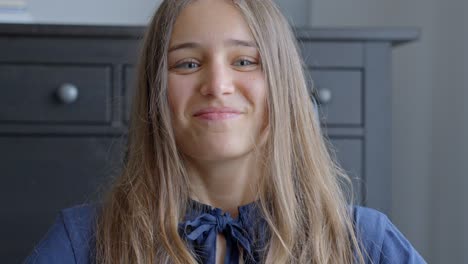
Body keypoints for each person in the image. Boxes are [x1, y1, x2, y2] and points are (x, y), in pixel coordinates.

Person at [25, 0, 426, 263]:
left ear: (283, 85)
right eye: (186, 64)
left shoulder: (366, 242)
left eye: (245, 61)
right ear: (156, 93)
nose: (217, 85)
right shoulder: (84, 241)